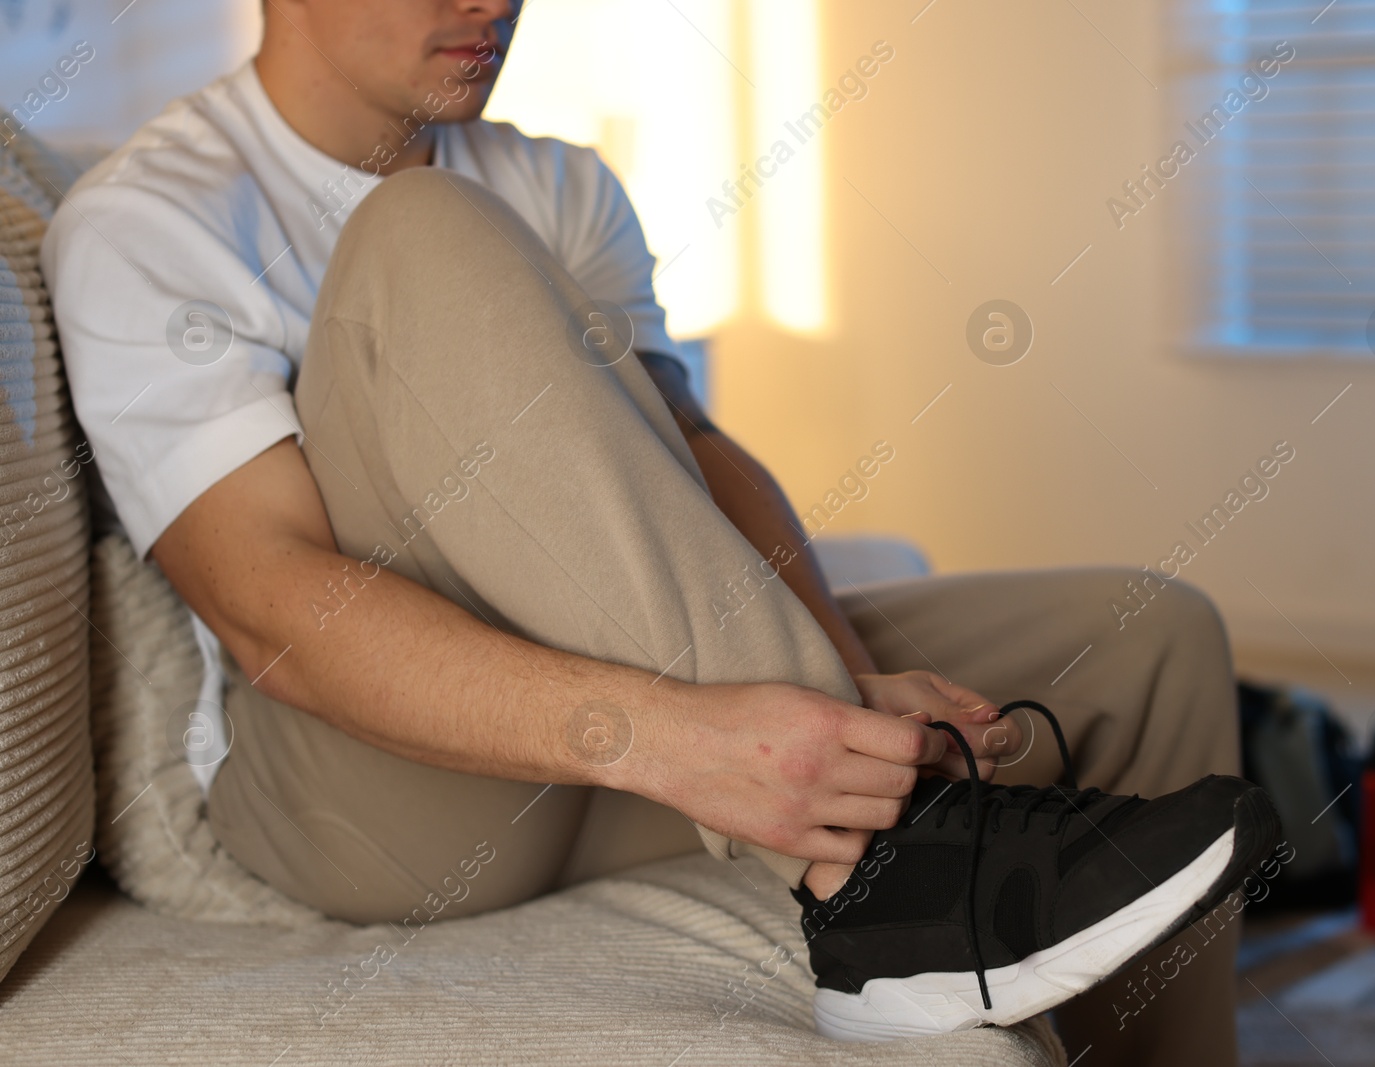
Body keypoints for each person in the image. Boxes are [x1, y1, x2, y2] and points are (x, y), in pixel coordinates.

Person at [42, 0, 1276, 1059]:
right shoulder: (150, 219)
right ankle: (893, 877)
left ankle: (936, 881)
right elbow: (277, 612)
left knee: (1151, 637)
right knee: (418, 235)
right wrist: (672, 736)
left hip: (591, 745)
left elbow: (693, 456)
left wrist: (841, 678)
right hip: (369, 801)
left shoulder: (559, 181)